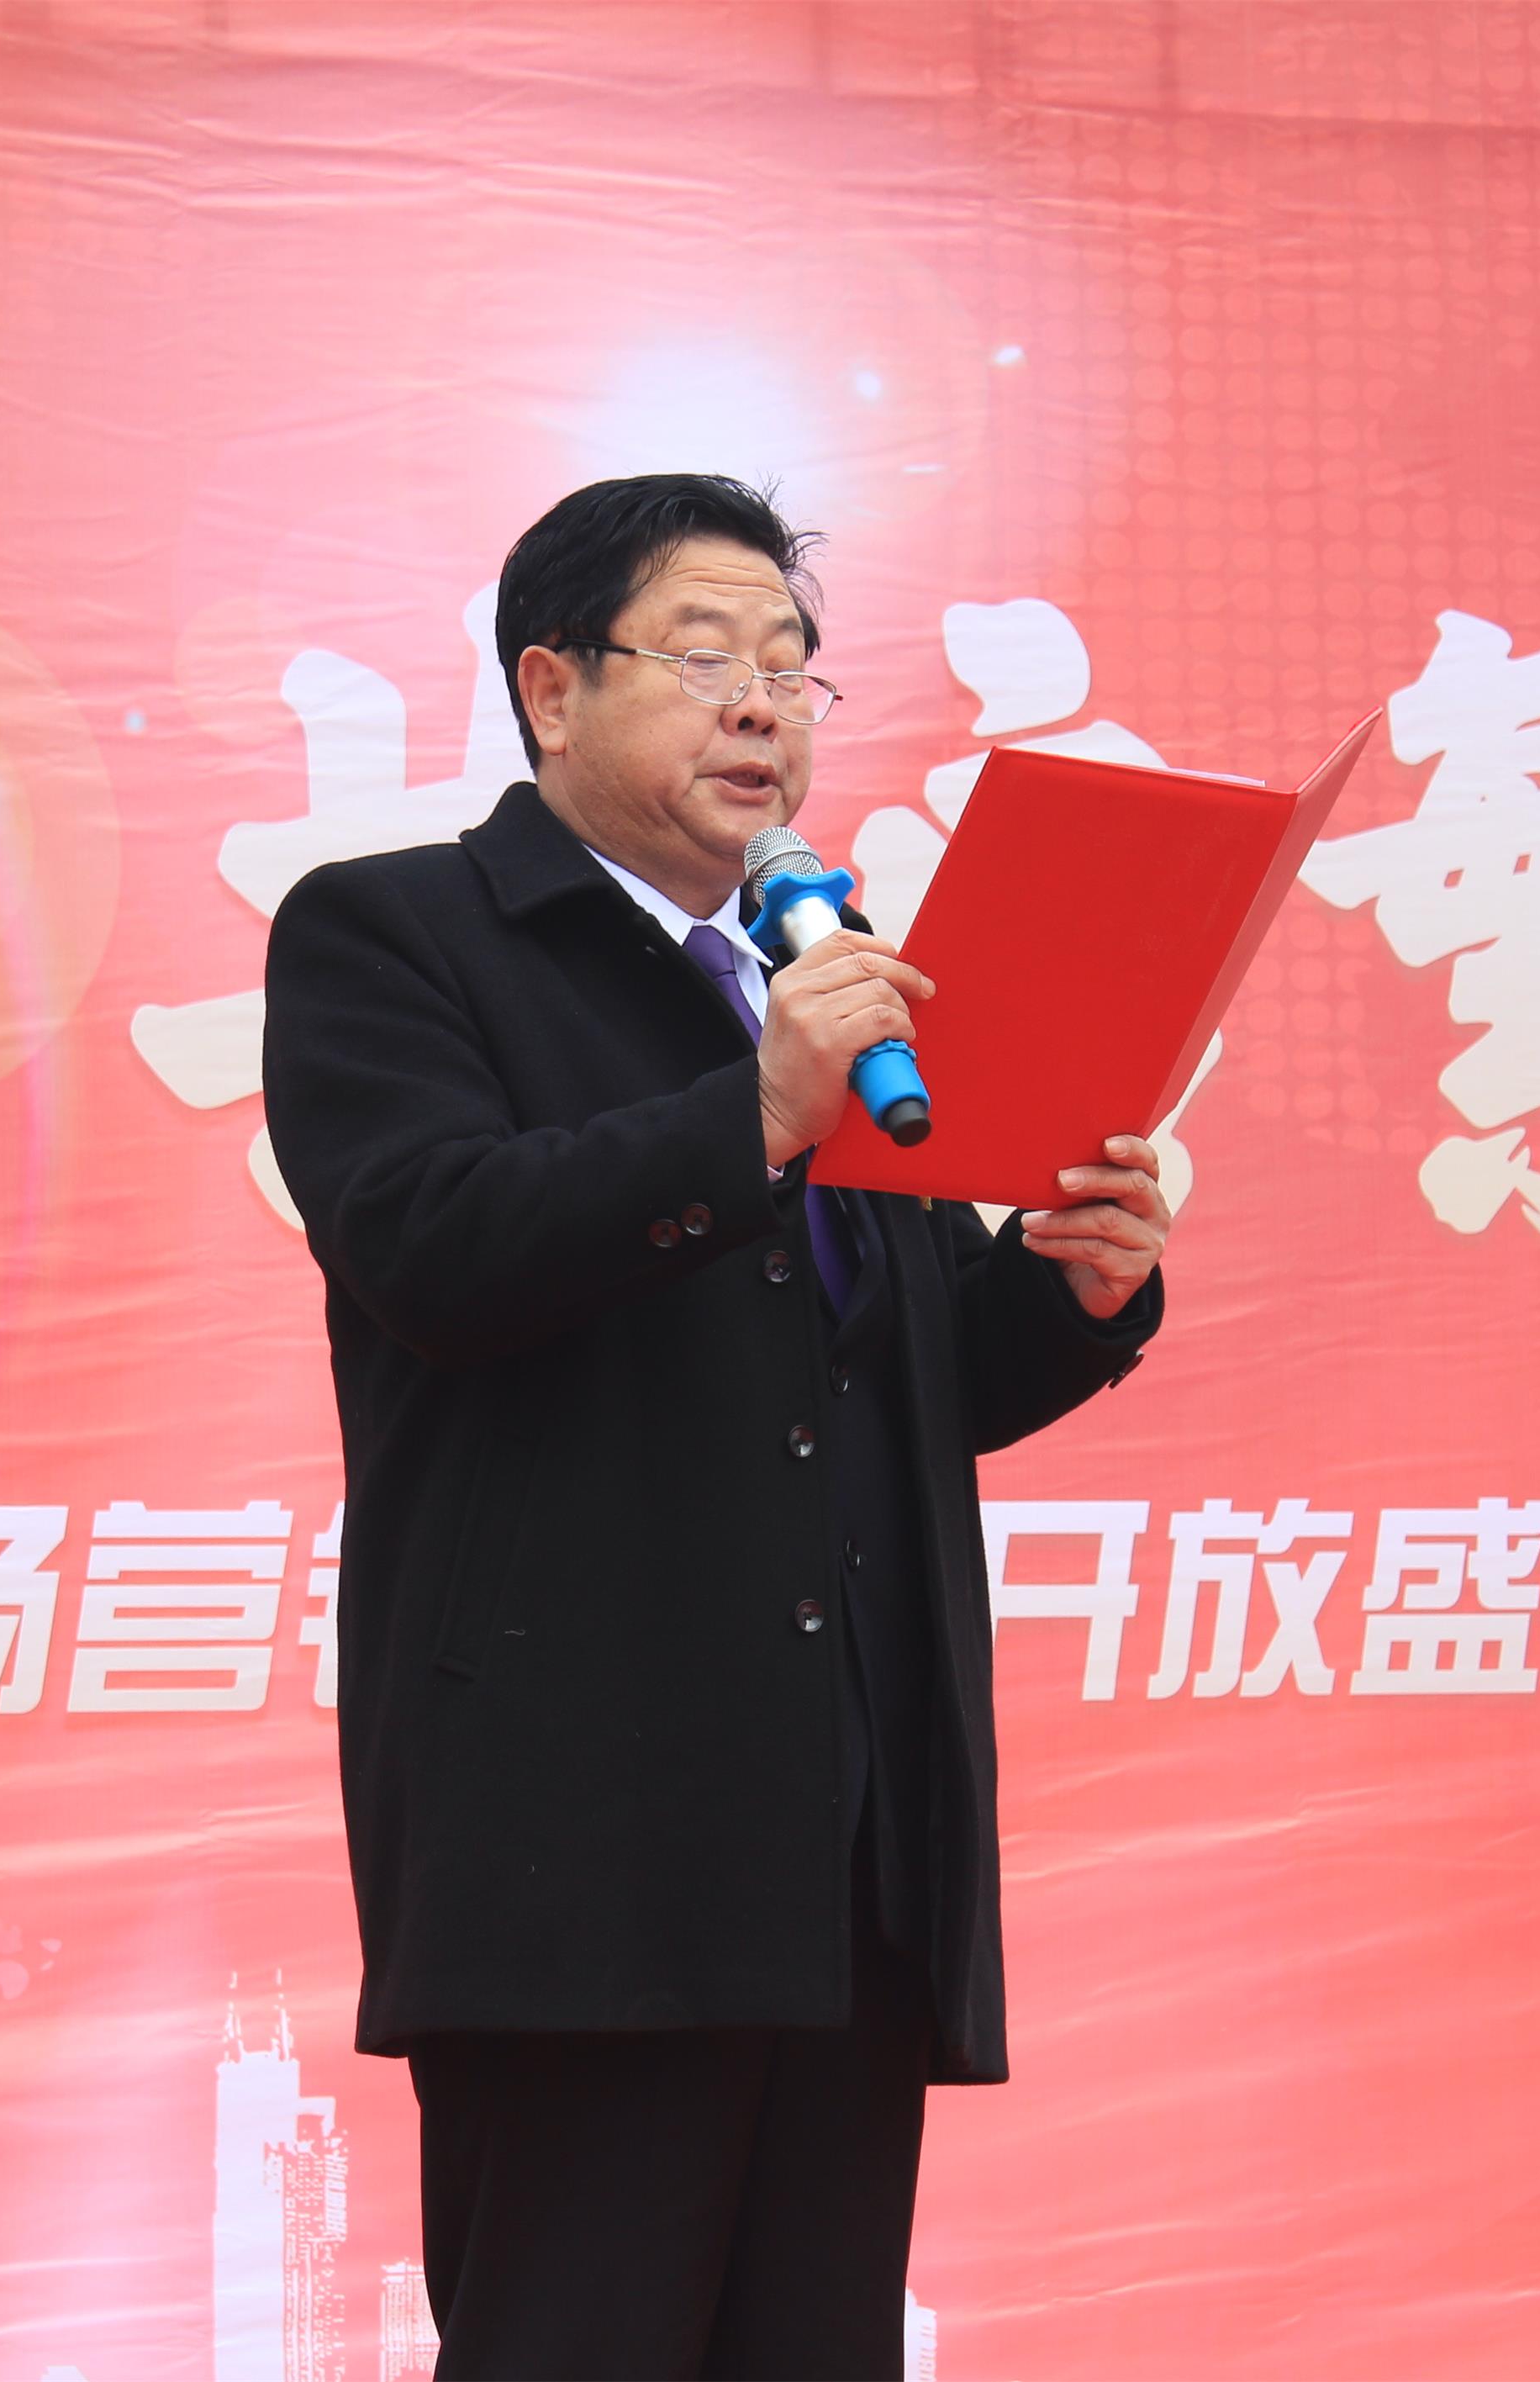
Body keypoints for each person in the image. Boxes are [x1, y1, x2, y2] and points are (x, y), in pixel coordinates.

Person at [260, 474, 1168, 2379]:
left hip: (844, 1847)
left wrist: (1069, 1289)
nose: (761, 703)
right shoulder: (398, 934)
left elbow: (894, 1379)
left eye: (791, 665)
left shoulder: (824, 985)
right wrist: (755, 1109)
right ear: (551, 688)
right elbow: (429, 1245)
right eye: (701, 654)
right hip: (582, 1848)